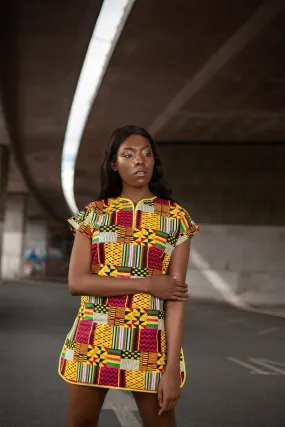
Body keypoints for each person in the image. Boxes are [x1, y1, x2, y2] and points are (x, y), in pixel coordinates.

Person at [58, 125, 200, 427]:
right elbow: (77, 282)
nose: (140, 160)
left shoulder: (175, 218)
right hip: (93, 343)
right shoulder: (93, 215)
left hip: (150, 346)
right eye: (129, 154)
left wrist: (172, 366)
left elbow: (175, 300)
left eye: (147, 154)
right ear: (113, 163)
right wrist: (148, 283)